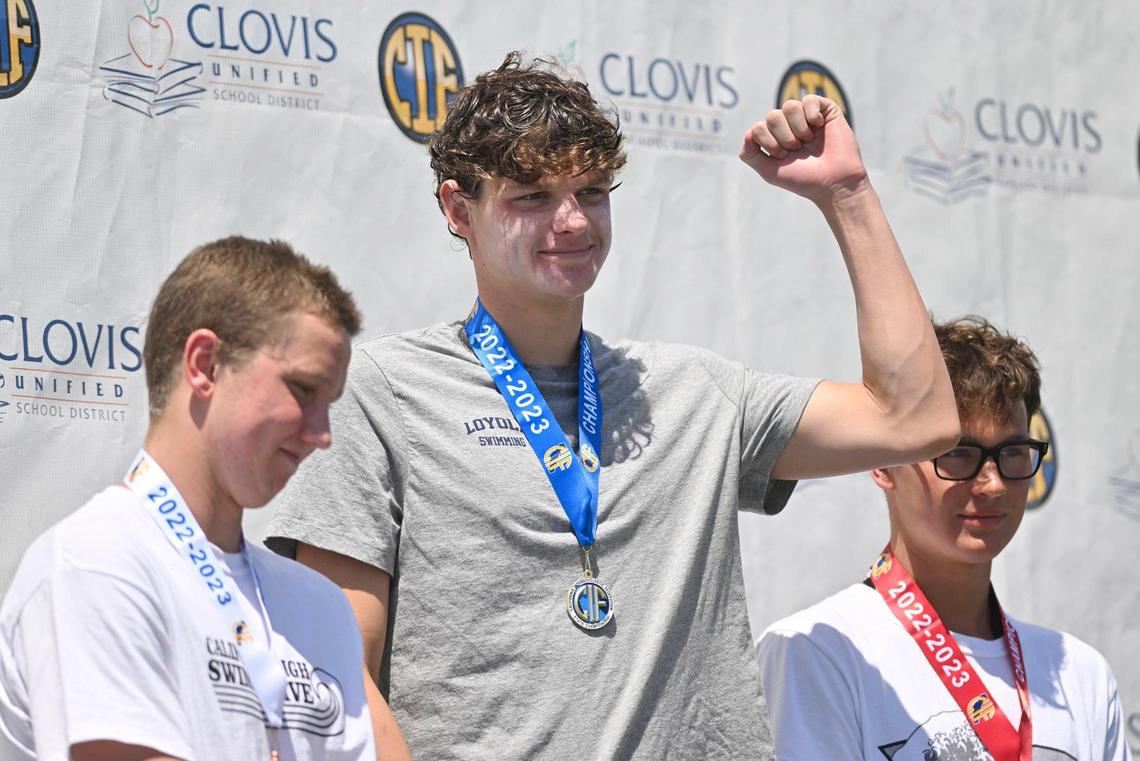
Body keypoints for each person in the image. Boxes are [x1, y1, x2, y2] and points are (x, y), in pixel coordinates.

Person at [267, 53, 959, 759]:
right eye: (531, 196)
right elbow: (337, 675)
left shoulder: (695, 393)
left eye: (593, 191)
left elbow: (915, 419)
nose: (572, 221)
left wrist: (847, 194)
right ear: (457, 209)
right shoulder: (382, 392)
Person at [0, 237, 382, 760]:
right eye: (302, 391)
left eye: (330, 403)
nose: (322, 434)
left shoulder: (319, 605)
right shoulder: (95, 566)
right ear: (205, 365)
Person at [757, 316, 1131, 761]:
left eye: (1011, 453)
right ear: (881, 462)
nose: (992, 484)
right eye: (956, 454)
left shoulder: (1081, 672)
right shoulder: (817, 653)